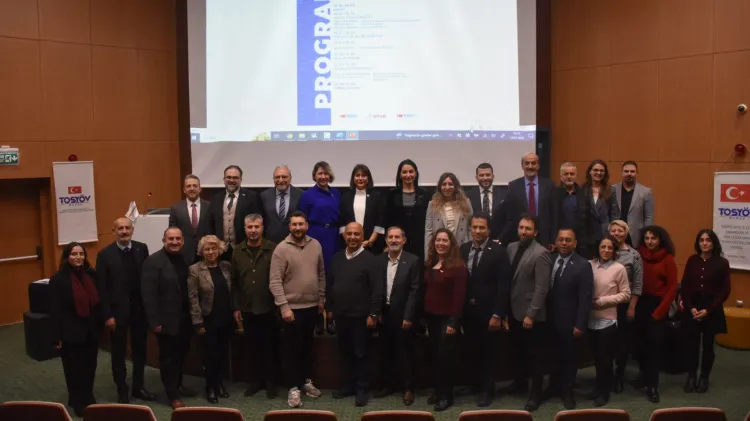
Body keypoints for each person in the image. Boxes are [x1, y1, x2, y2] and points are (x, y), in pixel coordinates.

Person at [96, 217, 156, 403]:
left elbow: (147, 279)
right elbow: (102, 288)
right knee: (118, 352)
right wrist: (107, 315)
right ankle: (122, 389)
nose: (124, 231)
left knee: (140, 350)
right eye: (120, 228)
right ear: (113, 231)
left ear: (132, 230)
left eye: (127, 228)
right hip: (117, 313)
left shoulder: (141, 248)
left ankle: (138, 387)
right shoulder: (104, 254)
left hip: (139, 311)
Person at [269, 211, 326, 408]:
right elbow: (275, 281)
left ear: (307, 226)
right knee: (291, 350)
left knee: (307, 348)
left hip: (312, 307)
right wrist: (284, 307)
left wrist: (321, 298)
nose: (298, 228)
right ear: (289, 227)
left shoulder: (316, 245)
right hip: (291, 309)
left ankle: (306, 382)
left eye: (301, 224)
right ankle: (293, 387)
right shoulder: (281, 249)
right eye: (294, 224)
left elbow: (321, 273)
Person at [457, 212, 511, 407]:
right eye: (474, 227)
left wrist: (498, 314)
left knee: (489, 353)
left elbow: (504, 286)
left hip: (488, 312)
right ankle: (474, 384)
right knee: (471, 350)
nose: (477, 231)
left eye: (482, 228)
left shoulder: (498, 251)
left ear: (489, 230)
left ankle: (488, 390)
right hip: (468, 311)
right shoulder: (463, 249)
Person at [327, 222, 383, 406]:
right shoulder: (337, 258)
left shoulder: (371, 260)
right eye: (349, 234)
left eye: (356, 234)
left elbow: (377, 290)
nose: (352, 237)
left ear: (362, 236)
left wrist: (373, 314)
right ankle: (349, 386)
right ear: (344, 236)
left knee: (361, 353)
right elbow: (330, 284)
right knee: (345, 353)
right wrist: (330, 309)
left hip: (361, 317)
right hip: (341, 315)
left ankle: (362, 388)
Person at [141, 227, 197, 410]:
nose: (174, 242)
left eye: (178, 239)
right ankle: (172, 395)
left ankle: (178, 385)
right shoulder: (153, 261)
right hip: (165, 321)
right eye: (171, 239)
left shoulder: (185, 258)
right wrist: (154, 322)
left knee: (181, 355)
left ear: (182, 241)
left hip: (185, 319)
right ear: (164, 240)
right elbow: (148, 295)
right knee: (169, 359)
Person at [501, 214, 552, 412]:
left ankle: (536, 394)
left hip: (532, 315)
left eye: (528, 228)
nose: (524, 231)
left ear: (535, 232)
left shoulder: (541, 253)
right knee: (518, 351)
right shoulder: (511, 247)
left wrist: (531, 314)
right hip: (514, 311)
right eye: (521, 227)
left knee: (535, 357)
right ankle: (520, 384)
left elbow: (542, 288)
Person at [49, 242, 103, 417]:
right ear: (67, 257)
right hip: (70, 332)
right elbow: (55, 311)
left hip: (91, 330)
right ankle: (77, 400)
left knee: (90, 366)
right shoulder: (58, 280)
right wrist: (57, 336)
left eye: (81, 254)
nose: (78, 257)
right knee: (74, 369)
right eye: (74, 254)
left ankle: (88, 395)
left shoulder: (91, 275)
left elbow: (98, 302)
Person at [543, 228, 593, 410]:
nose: (564, 243)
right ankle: (553, 386)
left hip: (570, 321)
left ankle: (567, 391)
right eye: (561, 239)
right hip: (549, 320)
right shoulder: (549, 260)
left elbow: (585, 297)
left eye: (568, 240)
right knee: (552, 355)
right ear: (556, 242)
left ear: (575, 243)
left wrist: (580, 324)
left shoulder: (583, 265)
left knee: (569, 358)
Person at [373, 226, 422, 406]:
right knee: (386, 351)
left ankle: (408, 389)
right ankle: (389, 385)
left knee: (406, 353)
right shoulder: (379, 260)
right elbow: (376, 288)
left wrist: (408, 317)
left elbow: (415, 291)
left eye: (397, 237)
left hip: (403, 314)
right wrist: (376, 312)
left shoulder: (413, 261)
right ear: (386, 240)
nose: (394, 240)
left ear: (404, 240)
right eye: (390, 237)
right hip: (384, 314)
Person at [231, 214, 279, 398]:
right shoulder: (237, 251)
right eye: (250, 227)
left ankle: (271, 382)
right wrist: (236, 307)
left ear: (262, 228)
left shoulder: (273, 249)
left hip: (268, 307)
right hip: (247, 307)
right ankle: (255, 382)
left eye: (256, 227)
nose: (253, 230)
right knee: (251, 348)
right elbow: (234, 282)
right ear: (245, 229)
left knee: (270, 347)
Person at [681, 229, 730, 394]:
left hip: (711, 308)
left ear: (713, 243)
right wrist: (691, 307)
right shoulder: (692, 260)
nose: (704, 243)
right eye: (701, 240)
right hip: (693, 307)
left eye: (708, 240)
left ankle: (704, 377)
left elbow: (725, 290)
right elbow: (685, 286)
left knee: (708, 346)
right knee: (691, 344)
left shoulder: (722, 263)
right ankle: (691, 376)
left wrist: (708, 310)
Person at [423, 228, 467, 412]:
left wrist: (453, 322)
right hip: (431, 318)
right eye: (438, 240)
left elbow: (459, 297)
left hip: (447, 320)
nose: (440, 243)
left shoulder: (458, 266)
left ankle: (446, 396)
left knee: (445, 358)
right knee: (434, 356)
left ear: (451, 244)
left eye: (444, 240)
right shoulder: (430, 263)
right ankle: (438, 390)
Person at [187, 235, 234, 404]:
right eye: (207, 249)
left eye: (214, 248)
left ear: (219, 250)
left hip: (226, 318)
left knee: (222, 353)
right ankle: (210, 387)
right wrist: (197, 322)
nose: (211, 252)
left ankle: (219, 383)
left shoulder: (226, 266)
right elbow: (193, 298)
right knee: (210, 355)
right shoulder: (195, 270)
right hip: (208, 319)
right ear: (201, 251)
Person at [636, 225, 678, 403]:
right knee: (640, 345)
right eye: (647, 238)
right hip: (640, 303)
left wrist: (660, 312)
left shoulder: (668, 258)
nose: (650, 241)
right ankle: (643, 376)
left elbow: (672, 288)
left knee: (654, 348)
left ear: (660, 239)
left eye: (653, 238)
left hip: (658, 306)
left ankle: (653, 386)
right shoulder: (638, 255)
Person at [588, 236, 630, 407]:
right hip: (589, 319)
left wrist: (602, 301)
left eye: (609, 248)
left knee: (605, 359)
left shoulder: (619, 269)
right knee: (595, 358)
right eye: (603, 247)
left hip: (608, 320)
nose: (606, 250)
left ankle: (604, 392)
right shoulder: (589, 265)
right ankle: (598, 386)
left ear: (614, 250)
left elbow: (626, 294)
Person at [608, 220, 643, 393]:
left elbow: (638, 284)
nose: (616, 233)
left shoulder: (634, 255)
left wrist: (632, 307)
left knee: (621, 342)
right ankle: (606, 375)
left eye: (620, 230)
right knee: (607, 342)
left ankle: (619, 376)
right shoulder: (605, 250)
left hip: (624, 305)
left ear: (626, 233)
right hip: (606, 304)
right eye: (613, 230)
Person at [497, 153, 559, 248]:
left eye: (533, 163)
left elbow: (554, 214)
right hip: (521, 236)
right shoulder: (513, 186)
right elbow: (510, 216)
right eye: (527, 163)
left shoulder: (549, 185)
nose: (530, 166)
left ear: (538, 166)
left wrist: (553, 239)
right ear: (522, 166)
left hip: (544, 238)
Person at [207, 165, 262, 261]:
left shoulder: (251, 197)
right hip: (221, 250)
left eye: (235, 178)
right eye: (228, 177)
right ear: (224, 179)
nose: (231, 180)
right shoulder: (216, 198)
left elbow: (258, 222)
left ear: (241, 180)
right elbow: (211, 223)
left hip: (244, 249)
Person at [299, 161, 341, 272]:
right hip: (315, 234)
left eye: (326, 174)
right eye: (320, 174)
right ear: (314, 176)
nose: (323, 177)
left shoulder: (336, 193)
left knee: (333, 266)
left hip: (334, 235)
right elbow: (302, 218)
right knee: (316, 266)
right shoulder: (307, 195)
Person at [385, 159, 429, 262]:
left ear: (416, 174)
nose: (408, 175)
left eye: (411, 171)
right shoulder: (391, 194)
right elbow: (387, 220)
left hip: (419, 241)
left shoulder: (425, 194)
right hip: (397, 241)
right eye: (404, 172)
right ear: (400, 175)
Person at [424, 172, 473, 257]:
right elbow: (428, 231)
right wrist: (428, 255)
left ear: (455, 186)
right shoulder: (432, 204)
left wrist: (471, 251)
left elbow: (470, 228)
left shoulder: (466, 202)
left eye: (450, 184)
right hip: (440, 247)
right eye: (444, 184)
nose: (447, 187)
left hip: (461, 247)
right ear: (440, 187)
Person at [339, 164, 386, 253]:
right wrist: (349, 242)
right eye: (357, 175)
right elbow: (342, 223)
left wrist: (370, 242)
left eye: (363, 175)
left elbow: (379, 223)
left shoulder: (377, 196)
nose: (360, 178)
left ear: (368, 178)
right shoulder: (345, 197)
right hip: (350, 245)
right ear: (353, 178)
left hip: (371, 246)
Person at [579, 160, 619, 259]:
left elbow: (614, 214)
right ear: (590, 171)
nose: (598, 173)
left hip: (604, 233)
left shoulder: (611, 190)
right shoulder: (582, 189)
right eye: (595, 170)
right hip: (587, 234)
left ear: (605, 173)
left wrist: (612, 232)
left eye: (602, 171)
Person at [169, 174, 211, 264]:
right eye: (188, 186)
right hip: (183, 255)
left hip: (206, 253)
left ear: (200, 189)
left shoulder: (210, 206)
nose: (192, 188)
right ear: (184, 190)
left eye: (195, 186)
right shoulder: (175, 208)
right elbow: (172, 231)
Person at [612, 161, 654, 248]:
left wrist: (647, 236)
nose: (629, 174)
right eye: (626, 171)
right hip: (615, 235)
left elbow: (649, 217)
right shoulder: (612, 189)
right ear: (622, 172)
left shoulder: (646, 192)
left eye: (632, 171)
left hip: (636, 236)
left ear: (636, 173)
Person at [260, 165, 303, 243]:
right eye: (277, 177)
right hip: (270, 242)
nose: (280, 180)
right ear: (273, 179)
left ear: (290, 178)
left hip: (295, 241)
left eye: (284, 177)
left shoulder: (301, 195)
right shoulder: (264, 196)